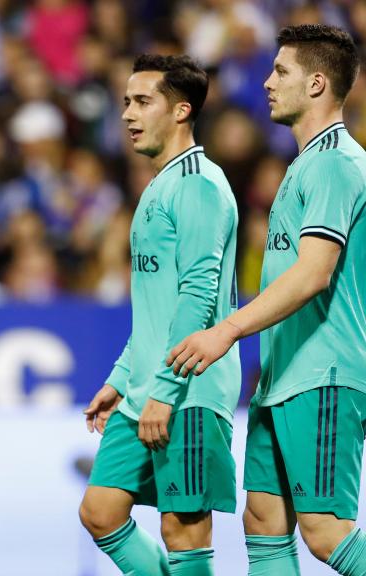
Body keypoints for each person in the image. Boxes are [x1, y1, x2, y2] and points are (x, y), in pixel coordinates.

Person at [167, 24, 366, 575]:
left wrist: (226, 329)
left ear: (318, 83)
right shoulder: (304, 163)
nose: (267, 82)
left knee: (325, 532)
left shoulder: (334, 163)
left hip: (323, 373)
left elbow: (314, 274)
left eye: (281, 71)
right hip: (284, 376)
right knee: (263, 519)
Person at [79, 54, 241, 575]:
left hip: (189, 390)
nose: (127, 113)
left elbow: (197, 295)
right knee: (100, 512)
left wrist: (164, 393)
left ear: (181, 111)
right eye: (126, 101)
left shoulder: (198, 184)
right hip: (148, 387)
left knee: (183, 528)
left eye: (142, 101)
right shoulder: (158, 185)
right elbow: (154, 309)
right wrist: (123, 380)